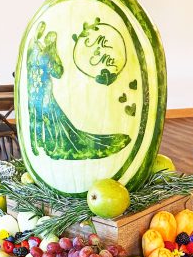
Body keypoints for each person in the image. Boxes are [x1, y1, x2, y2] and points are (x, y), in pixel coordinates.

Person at [26, 21, 131, 160]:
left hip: (36, 89)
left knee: (40, 116)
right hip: (40, 89)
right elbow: (57, 71)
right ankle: (41, 145)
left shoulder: (36, 50)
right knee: (44, 116)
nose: (44, 35)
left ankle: (40, 145)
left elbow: (56, 72)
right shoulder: (39, 50)